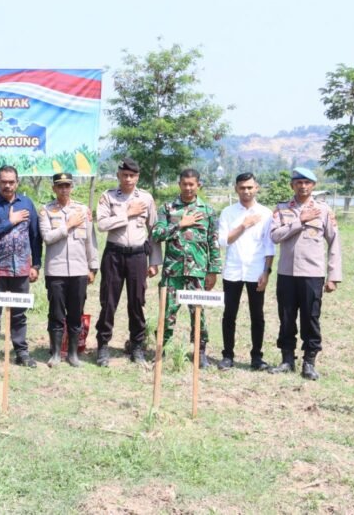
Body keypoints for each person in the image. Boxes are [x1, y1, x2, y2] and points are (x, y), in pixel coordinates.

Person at [269, 167, 341, 380]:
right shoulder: (282, 209)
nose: (303, 186)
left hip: (312, 273)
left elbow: (334, 242)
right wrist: (300, 220)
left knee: (311, 318)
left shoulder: (324, 210)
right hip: (287, 274)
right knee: (286, 317)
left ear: (313, 186)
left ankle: (309, 362)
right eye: (298, 182)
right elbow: (275, 236)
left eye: (307, 182)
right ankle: (287, 359)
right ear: (292, 185)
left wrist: (333, 276)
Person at [94, 158, 162, 367]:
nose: (128, 179)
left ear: (137, 177)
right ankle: (103, 345)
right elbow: (102, 224)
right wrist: (127, 213)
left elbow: (154, 230)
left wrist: (154, 261)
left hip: (138, 256)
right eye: (125, 175)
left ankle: (137, 346)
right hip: (114, 254)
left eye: (132, 175)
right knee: (109, 302)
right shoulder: (108, 197)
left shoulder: (147, 199)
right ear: (118, 175)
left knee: (137, 302)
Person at [151, 168, 221, 368]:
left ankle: (200, 352)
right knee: (167, 312)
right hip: (173, 272)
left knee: (198, 312)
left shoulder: (207, 211)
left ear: (198, 185)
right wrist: (180, 225)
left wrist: (213, 271)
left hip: (197, 273)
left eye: (192, 184)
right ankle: (160, 350)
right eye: (185, 184)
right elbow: (156, 234)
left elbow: (213, 243)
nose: (188, 188)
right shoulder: (168, 208)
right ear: (179, 184)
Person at [0, 165, 42, 368]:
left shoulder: (27, 204)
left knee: (19, 312)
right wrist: (10, 221)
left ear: (17, 182)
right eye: (4, 182)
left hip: (22, 268)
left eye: (11, 181)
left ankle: (21, 352)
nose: (8, 185)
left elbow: (35, 236)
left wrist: (36, 265)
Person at [39, 173, 99, 367]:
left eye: (67, 186)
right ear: (54, 189)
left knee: (76, 312)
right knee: (56, 313)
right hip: (55, 271)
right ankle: (56, 353)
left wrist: (93, 267)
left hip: (79, 270)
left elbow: (91, 241)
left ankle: (73, 354)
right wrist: (68, 225)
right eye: (60, 186)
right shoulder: (46, 211)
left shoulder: (82, 210)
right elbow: (47, 237)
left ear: (72, 187)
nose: (64, 189)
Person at [217, 172, 275, 371]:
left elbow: (269, 246)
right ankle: (227, 355)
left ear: (256, 188)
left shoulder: (266, 213)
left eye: (250, 187)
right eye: (242, 187)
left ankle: (257, 357)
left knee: (257, 315)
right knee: (229, 314)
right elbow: (223, 241)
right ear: (236, 189)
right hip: (232, 271)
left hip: (256, 272)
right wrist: (243, 225)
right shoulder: (228, 213)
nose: (246, 191)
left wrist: (267, 272)